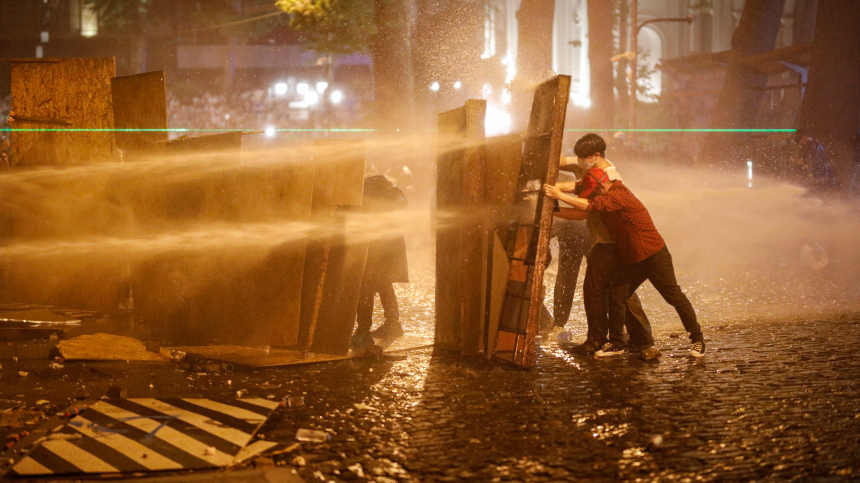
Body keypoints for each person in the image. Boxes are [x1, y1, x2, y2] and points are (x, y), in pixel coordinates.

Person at [543, 165, 706, 358]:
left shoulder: (617, 196)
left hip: (654, 256)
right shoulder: (603, 185)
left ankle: (697, 339)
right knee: (616, 295)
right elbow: (578, 187)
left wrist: (557, 195)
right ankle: (617, 343)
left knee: (673, 296)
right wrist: (553, 189)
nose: (591, 195)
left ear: (602, 186)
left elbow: (588, 206)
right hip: (634, 259)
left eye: (593, 192)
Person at [550, 134, 654, 356]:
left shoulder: (609, 178)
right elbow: (562, 168)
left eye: (583, 158)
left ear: (595, 156)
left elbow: (582, 211)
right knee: (599, 290)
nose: (579, 162)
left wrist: (556, 202)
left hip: (611, 241)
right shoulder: (584, 164)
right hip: (597, 237)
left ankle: (638, 339)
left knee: (618, 292)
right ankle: (611, 338)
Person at [351, 174, 409, 347]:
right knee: (383, 282)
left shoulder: (367, 187)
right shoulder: (381, 186)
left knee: (366, 286)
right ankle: (392, 324)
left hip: (378, 243)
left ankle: (363, 331)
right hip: (388, 241)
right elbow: (402, 201)